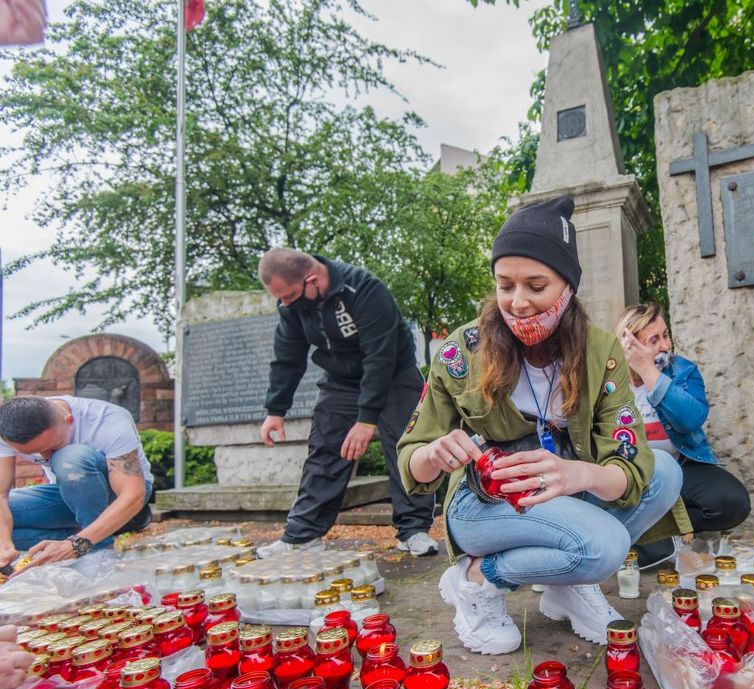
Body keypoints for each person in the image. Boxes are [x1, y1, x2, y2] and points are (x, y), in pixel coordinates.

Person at [397, 195, 688, 654]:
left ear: (568, 286)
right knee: (603, 548)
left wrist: (583, 473)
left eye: (536, 285)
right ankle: (475, 580)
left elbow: (630, 457)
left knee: (666, 474)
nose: (518, 303)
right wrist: (431, 456)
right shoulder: (460, 352)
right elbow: (411, 457)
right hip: (486, 504)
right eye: (505, 285)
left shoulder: (601, 351)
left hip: (564, 490)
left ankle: (567, 585)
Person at [257, 248, 438, 557]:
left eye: (288, 296)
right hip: (341, 379)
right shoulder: (293, 306)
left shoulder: (365, 290)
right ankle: (302, 535)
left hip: (394, 373)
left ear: (312, 280)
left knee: (407, 447)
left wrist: (366, 420)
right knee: (325, 450)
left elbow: (379, 357)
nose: (285, 304)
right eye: (280, 299)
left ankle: (413, 530)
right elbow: (287, 355)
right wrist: (276, 410)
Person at [614, 303, 751, 568]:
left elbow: (690, 420)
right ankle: (643, 541)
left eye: (666, 335)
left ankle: (652, 537)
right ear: (629, 346)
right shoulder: (608, 379)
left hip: (680, 468)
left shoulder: (682, 371)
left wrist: (649, 372)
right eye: (654, 340)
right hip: (629, 476)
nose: (665, 345)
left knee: (731, 502)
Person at [0, 396, 153, 571]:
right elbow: (1, 495)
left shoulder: (107, 420)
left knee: (69, 459)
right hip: (67, 496)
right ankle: (82, 540)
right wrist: (5, 545)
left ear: (69, 420)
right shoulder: (7, 430)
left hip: (121, 494)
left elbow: (132, 494)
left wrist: (78, 544)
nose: (45, 457)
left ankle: (99, 553)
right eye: (34, 453)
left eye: (52, 447)